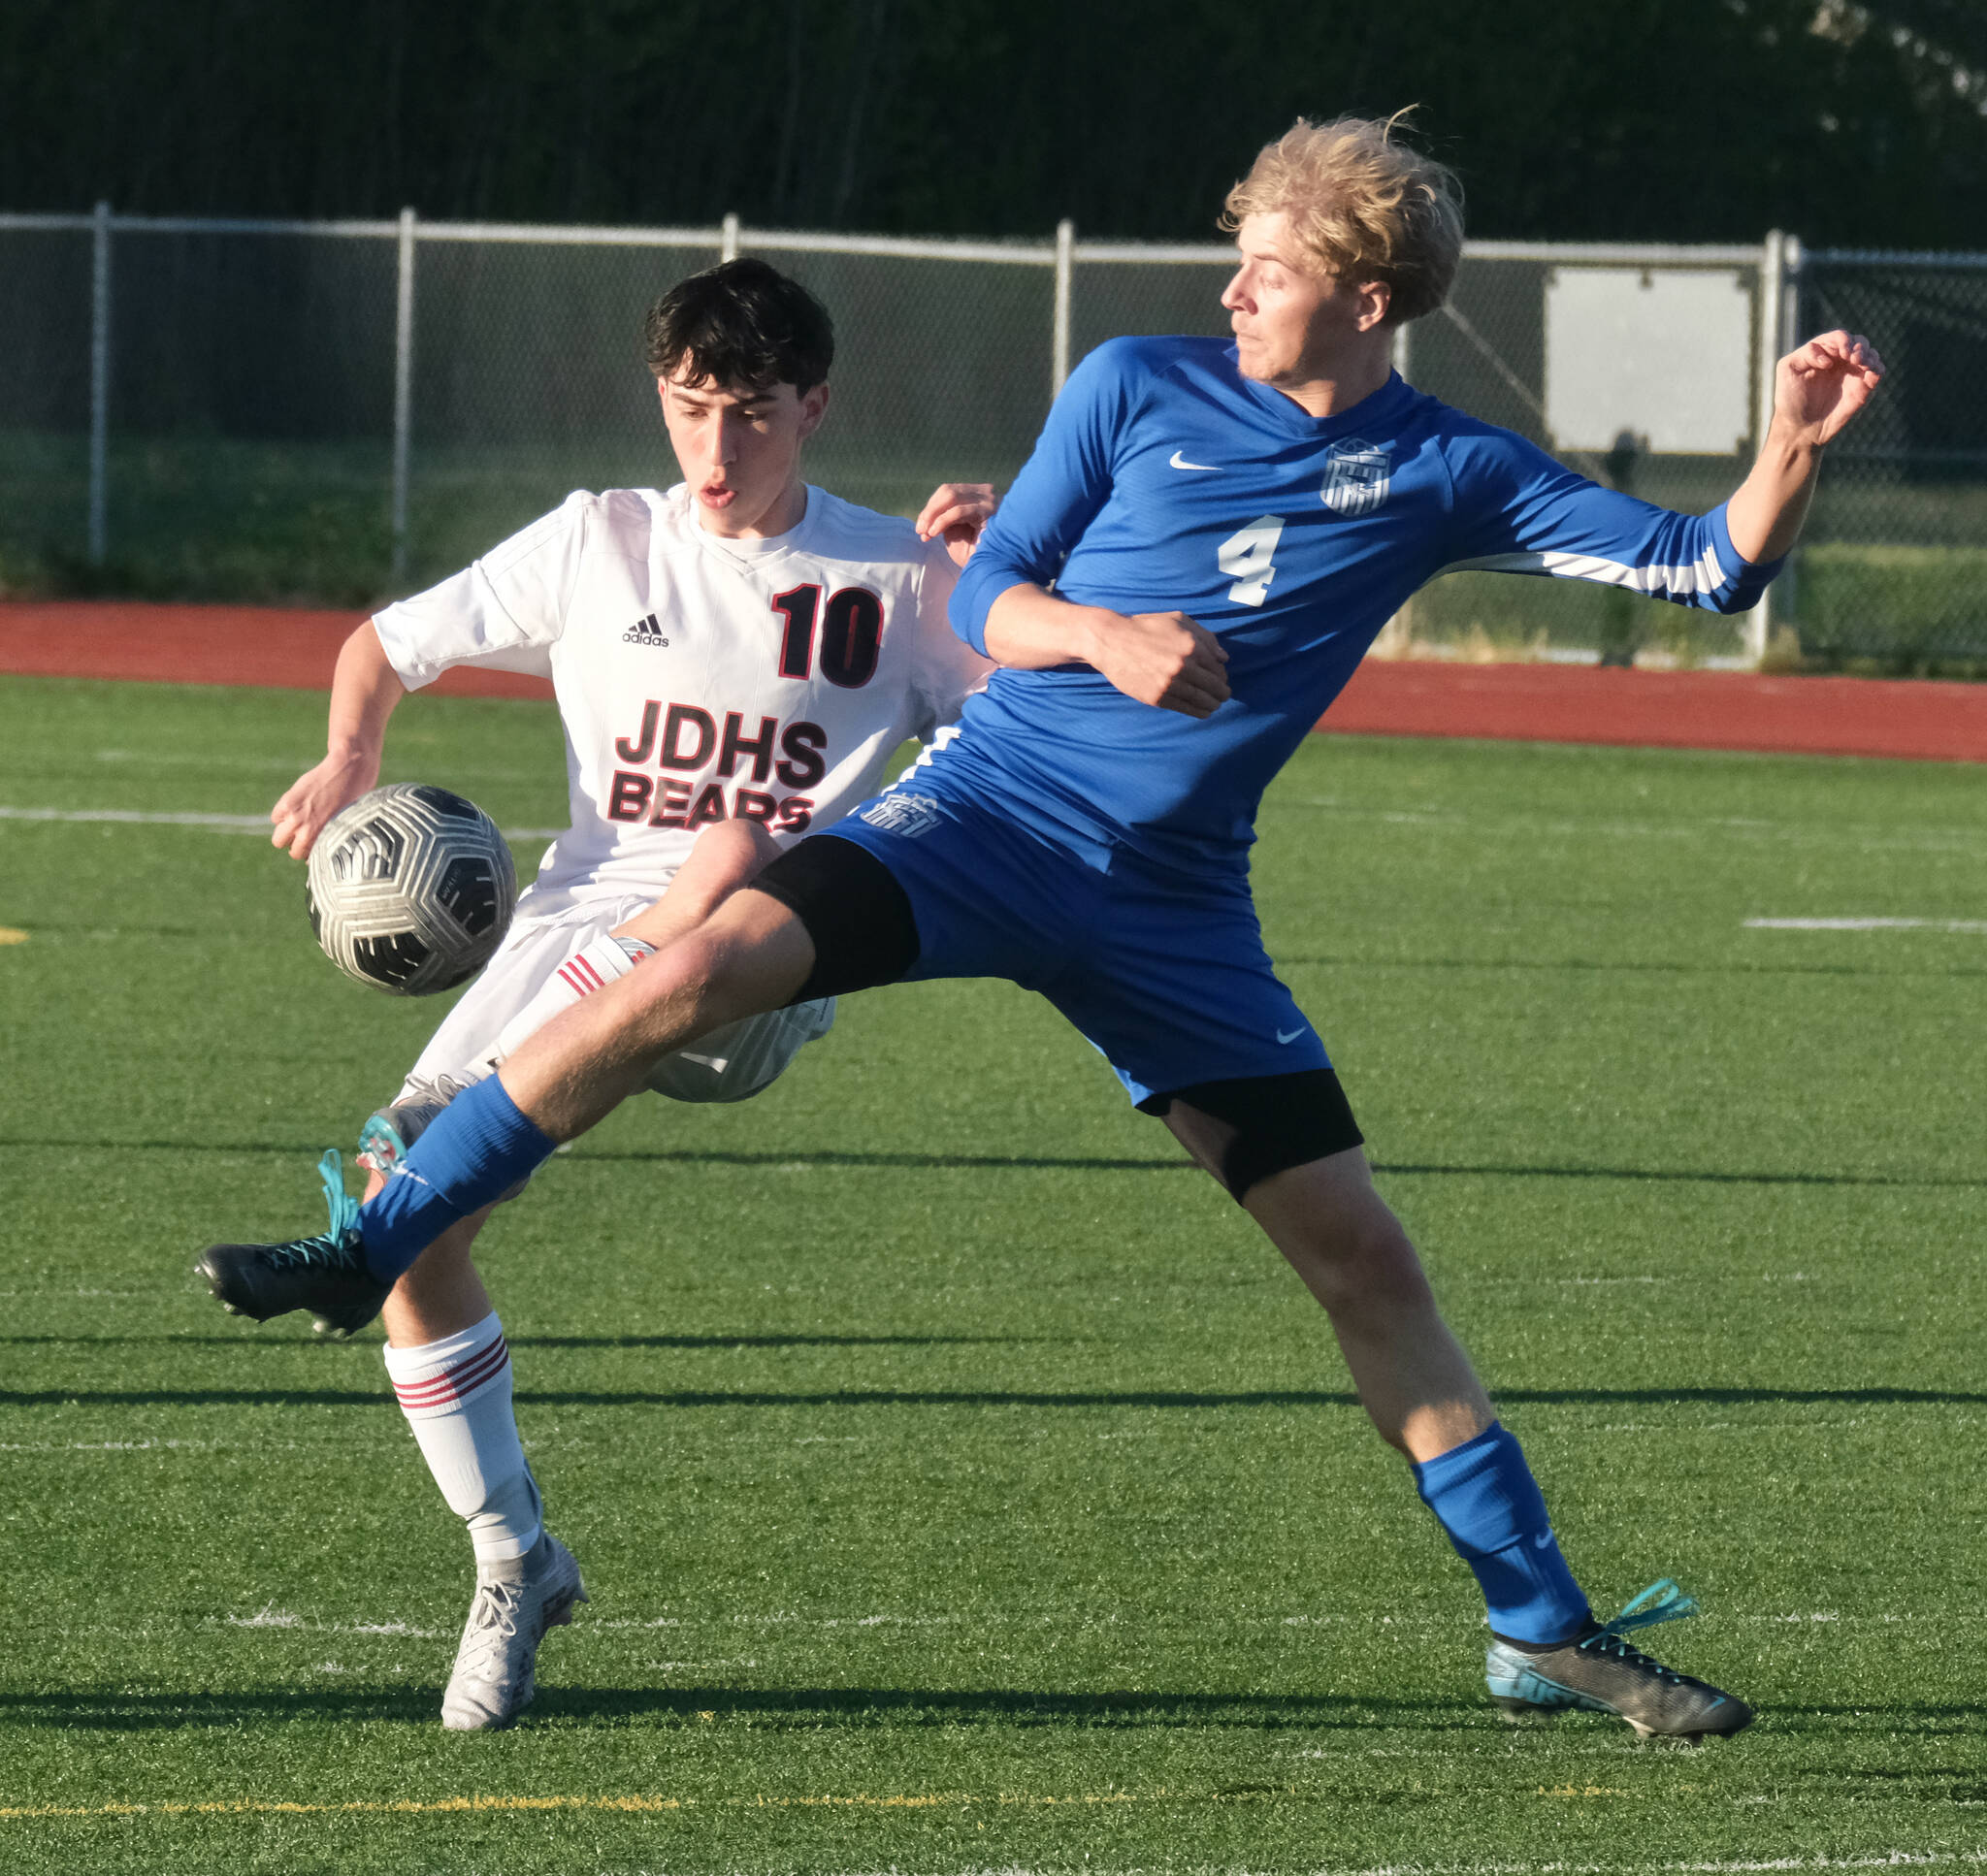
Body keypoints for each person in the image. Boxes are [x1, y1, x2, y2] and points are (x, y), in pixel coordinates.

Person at [203, 117, 1884, 1739]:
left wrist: (1791, 446)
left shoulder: (1447, 468)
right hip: (984, 818)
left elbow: (1707, 570)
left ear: (1368, 300)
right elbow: (990, 590)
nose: (1231, 290)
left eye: (1269, 266)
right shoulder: (1131, 385)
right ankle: (375, 1244)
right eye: (1235, 260)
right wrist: (1105, 633)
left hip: (1171, 909)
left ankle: (1537, 1626)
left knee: (1361, 1254)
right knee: (701, 957)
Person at [208, 256, 994, 1730]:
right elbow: (382, 643)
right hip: (569, 936)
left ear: (812, 407)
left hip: (759, 958)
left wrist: (1017, 577)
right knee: (416, 1229)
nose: (715, 447)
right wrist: (352, 753)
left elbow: (1048, 711)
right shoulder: (598, 540)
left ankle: (434, 1135)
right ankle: (515, 1557)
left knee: (731, 841)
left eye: (750, 413)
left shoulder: (901, 578)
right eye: (691, 407)